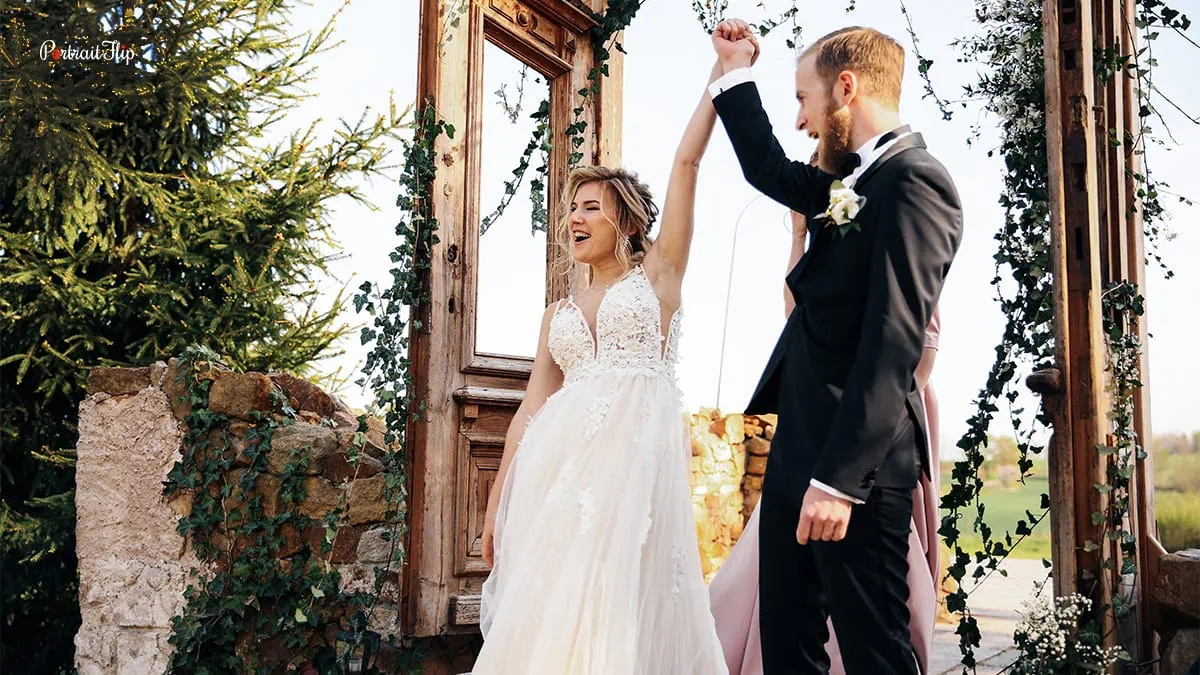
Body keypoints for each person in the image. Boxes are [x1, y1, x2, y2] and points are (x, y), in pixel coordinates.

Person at [471, 55, 744, 675]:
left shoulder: (659, 280)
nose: (575, 218)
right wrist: (496, 506)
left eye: (592, 207)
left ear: (624, 219)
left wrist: (719, 79)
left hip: (635, 471)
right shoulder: (556, 315)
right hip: (558, 479)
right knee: (558, 613)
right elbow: (532, 409)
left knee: (620, 608)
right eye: (572, 209)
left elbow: (686, 165)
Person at [707, 20, 963, 673]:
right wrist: (735, 69)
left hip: (860, 473)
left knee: (873, 649)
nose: (801, 120)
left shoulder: (915, 182)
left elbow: (893, 341)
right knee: (789, 644)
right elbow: (768, 168)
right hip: (797, 456)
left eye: (803, 98)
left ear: (845, 87)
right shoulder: (851, 186)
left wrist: (839, 482)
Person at [709, 201, 945, 675]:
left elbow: (921, 354)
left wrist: (864, 430)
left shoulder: (898, 234)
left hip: (876, 427)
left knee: (873, 595)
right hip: (809, 423)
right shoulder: (821, 257)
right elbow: (794, 313)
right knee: (776, 588)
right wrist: (798, 237)